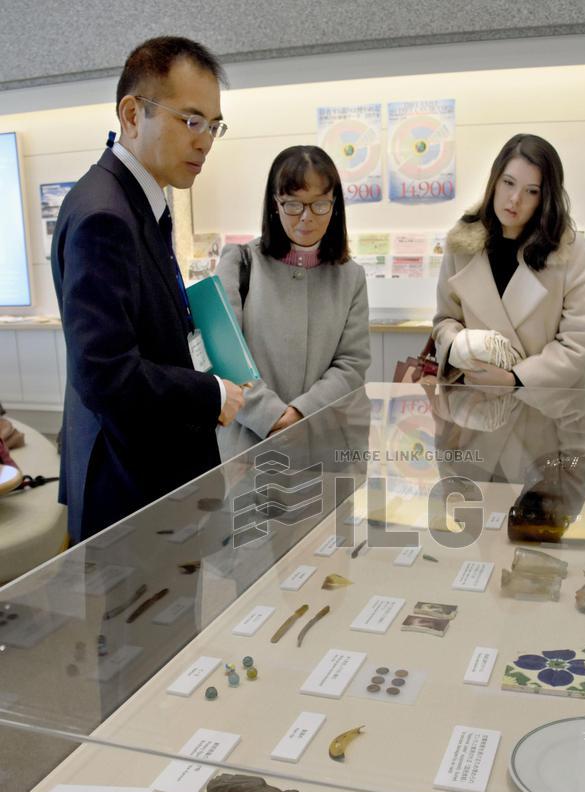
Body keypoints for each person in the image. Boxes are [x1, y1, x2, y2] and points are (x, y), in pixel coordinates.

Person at [52, 36, 245, 542]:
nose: (205, 141)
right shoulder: (105, 214)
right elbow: (106, 374)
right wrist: (210, 393)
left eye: (214, 126)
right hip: (131, 491)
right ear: (133, 114)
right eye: (191, 121)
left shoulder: (134, 201)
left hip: (149, 482)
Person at [215, 145, 370, 457]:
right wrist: (270, 416)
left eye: (320, 204)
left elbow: (352, 363)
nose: (306, 217)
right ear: (276, 204)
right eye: (293, 205)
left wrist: (301, 413)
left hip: (327, 444)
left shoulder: (350, 276)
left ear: (335, 205)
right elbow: (224, 354)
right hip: (250, 445)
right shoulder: (240, 263)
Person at [433, 133, 585, 388]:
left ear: (545, 198)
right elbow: (445, 320)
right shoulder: (461, 244)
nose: (515, 199)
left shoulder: (568, 249)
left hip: (547, 401)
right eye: (508, 183)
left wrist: (515, 379)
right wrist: (460, 346)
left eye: (531, 191)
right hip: (478, 398)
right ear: (495, 181)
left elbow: (582, 340)